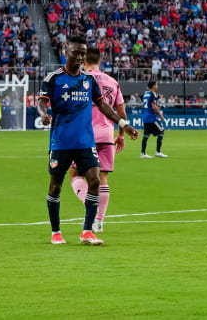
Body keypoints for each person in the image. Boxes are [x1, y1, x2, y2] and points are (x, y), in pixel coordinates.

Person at [38, 38, 138, 245]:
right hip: (61, 142)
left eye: (82, 54)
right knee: (55, 186)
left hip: (86, 142)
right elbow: (41, 102)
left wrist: (123, 125)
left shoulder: (89, 80)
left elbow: (103, 106)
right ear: (67, 52)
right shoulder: (53, 78)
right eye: (76, 53)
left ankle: (87, 232)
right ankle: (56, 232)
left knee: (94, 181)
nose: (80, 57)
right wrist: (43, 114)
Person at [69, 46, 125, 233]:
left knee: (75, 174)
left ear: (84, 62)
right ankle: (99, 221)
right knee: (102, 179)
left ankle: (91, 211)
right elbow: (120, 111)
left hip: (85, 135)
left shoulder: (80, 80)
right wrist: (121, 135)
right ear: (100, 61)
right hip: (107, 134)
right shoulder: (112, 82)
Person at [140, 80, 167, 158]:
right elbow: (154, 107)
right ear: (153, 86)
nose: (157, 86)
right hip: (152, 118)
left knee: (146, 135)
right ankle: (158, 152)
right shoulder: (152, 95)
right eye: (156, 85)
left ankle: (143, 153)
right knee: (161, 131)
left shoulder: (146, 94)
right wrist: (160, 115)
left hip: (145, 117)